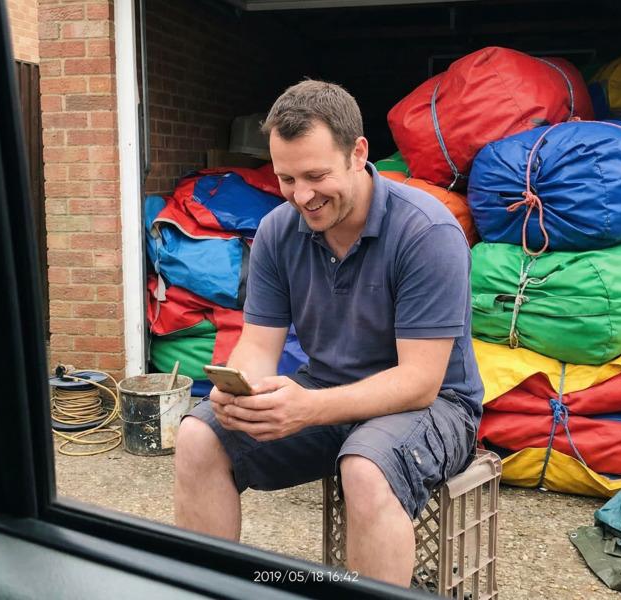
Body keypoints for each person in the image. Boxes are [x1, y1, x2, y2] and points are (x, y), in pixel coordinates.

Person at [174, 80, 483, 588]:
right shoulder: (277, 230)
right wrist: (242, 393)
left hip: (435, 405)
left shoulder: (427, 232)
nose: (302, 196)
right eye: (286, 179)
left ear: (358, 153)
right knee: (198, 435)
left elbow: (420, 382)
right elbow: (256, 343)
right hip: (325, 389)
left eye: (316, 176)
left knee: (364, 466)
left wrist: (306, 408)